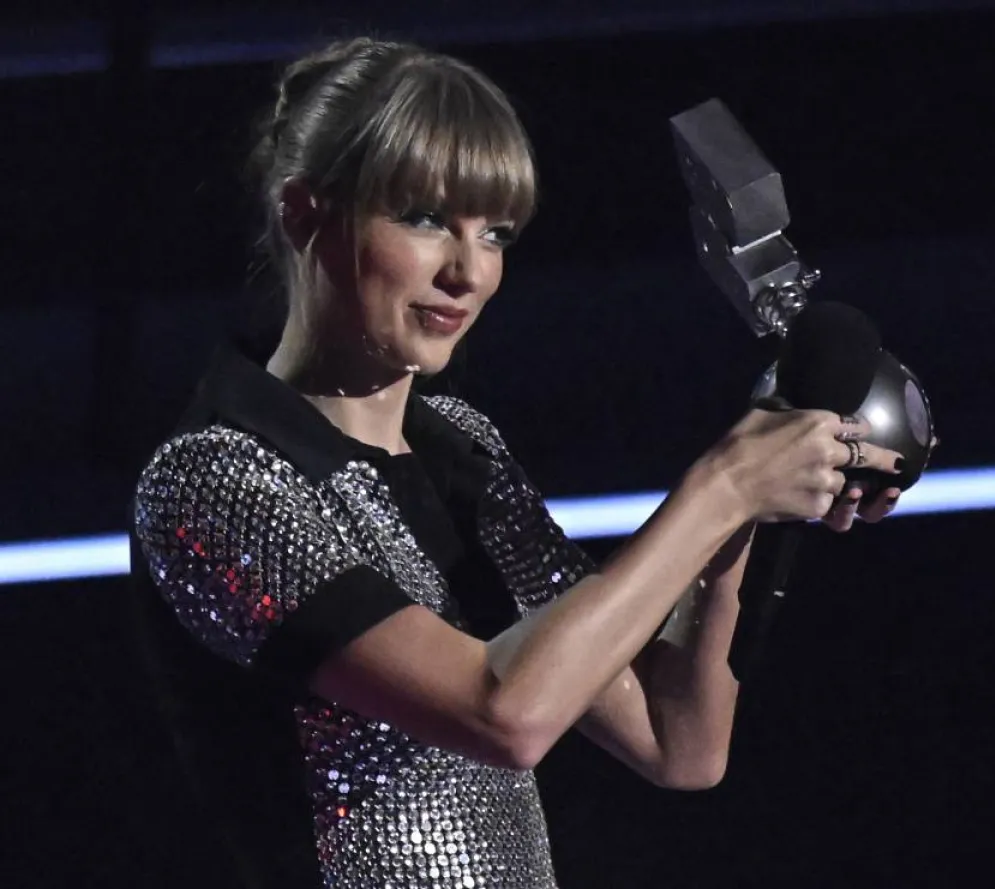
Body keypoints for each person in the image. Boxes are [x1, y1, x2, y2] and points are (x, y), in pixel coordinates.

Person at [128, 36, 905, 889]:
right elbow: (506, 713)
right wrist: (721, 487)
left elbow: (678, 741)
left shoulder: (465, 454)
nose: (467, 272)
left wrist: (749, 511)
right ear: (304, 213)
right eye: (425, 219)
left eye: (494, 232)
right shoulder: (217, 480)